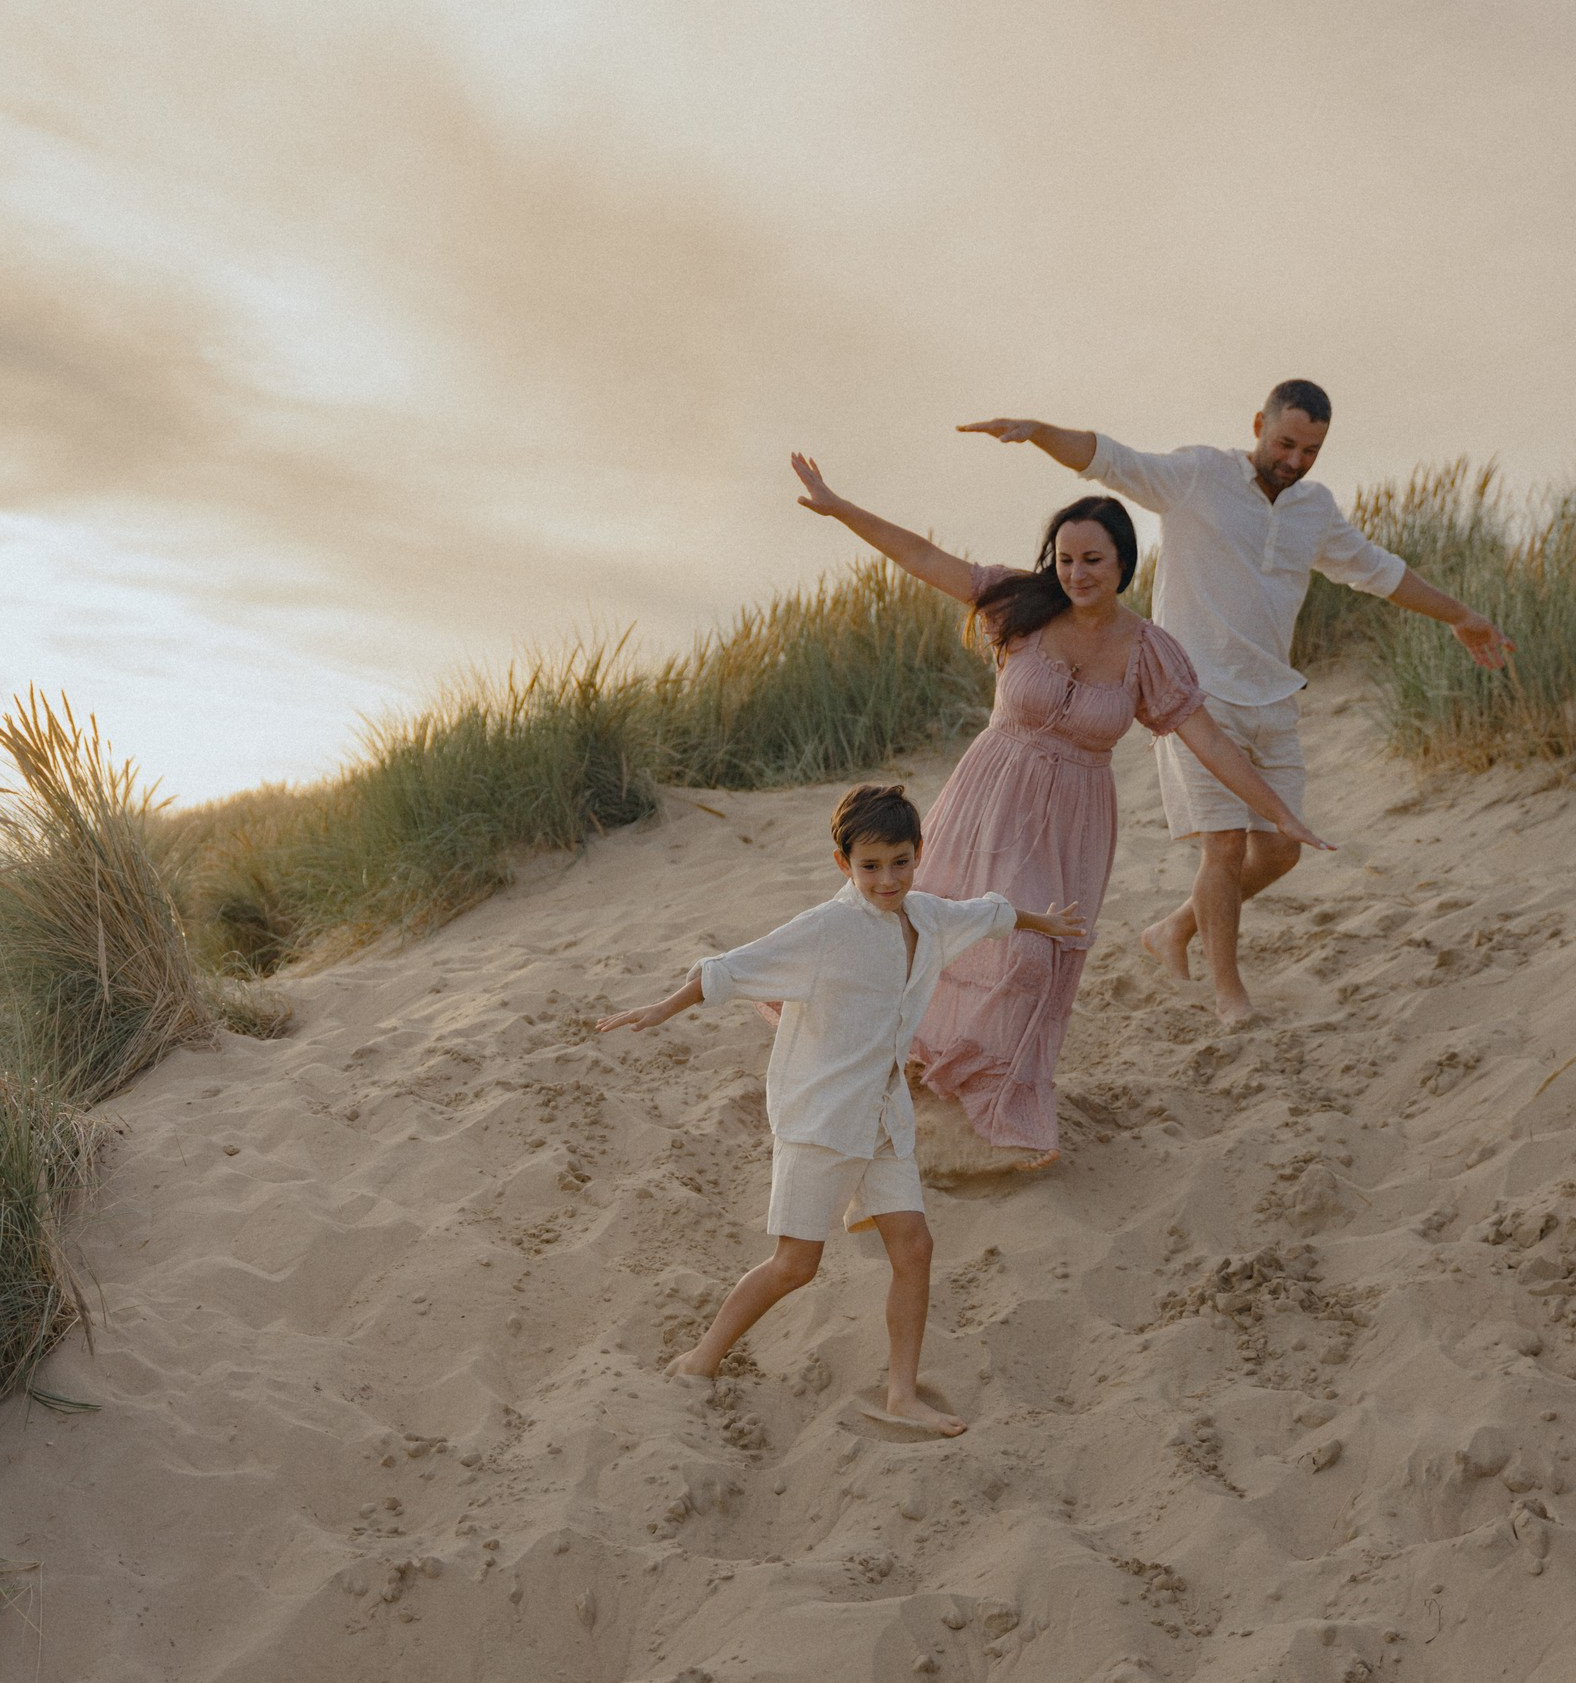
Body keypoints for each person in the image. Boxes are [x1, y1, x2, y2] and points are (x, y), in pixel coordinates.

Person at [788, 455, 1331, 1169]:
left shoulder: (1150, 651)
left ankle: (987, 1086)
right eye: (1067, 558)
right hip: (991, 793)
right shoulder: (1019, 605)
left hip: (1074, 819)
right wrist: (838, 505)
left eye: (1094, 559)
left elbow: (1207, 739)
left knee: (1034, 955)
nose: (1078, 573)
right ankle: (897, 1058)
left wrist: (1277, 811)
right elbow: (921, 555)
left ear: (1124, 562)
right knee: (936, 926)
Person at [959, 381, 1515, 1023]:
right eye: (1285, 442)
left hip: (1273, 696)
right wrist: (1038, 430)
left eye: (1312, 449)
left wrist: (1462, 616)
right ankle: (1230, 995)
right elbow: (1113, 459)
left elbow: (1379, 571)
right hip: (1197, 697)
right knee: (1222, 846)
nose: (1296, 460)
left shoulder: (1315, 509)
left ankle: (1174, 929)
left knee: (1280, 849)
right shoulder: (1199, 476)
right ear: (1259, 424)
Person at [595, 783, 1085, 1437]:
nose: (888, 878)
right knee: (796, 1264)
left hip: (884, 1118)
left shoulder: (930, 916)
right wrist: (662, 1006)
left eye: (901, 861)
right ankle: (700, 1358)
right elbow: (735, 967)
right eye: (871, 865)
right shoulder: (828, 929)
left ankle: (903, 1393)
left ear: (918, 854)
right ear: (844, 865)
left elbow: (990, 912)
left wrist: (1044, 923)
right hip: (821, 1121)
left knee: (915, 1247)